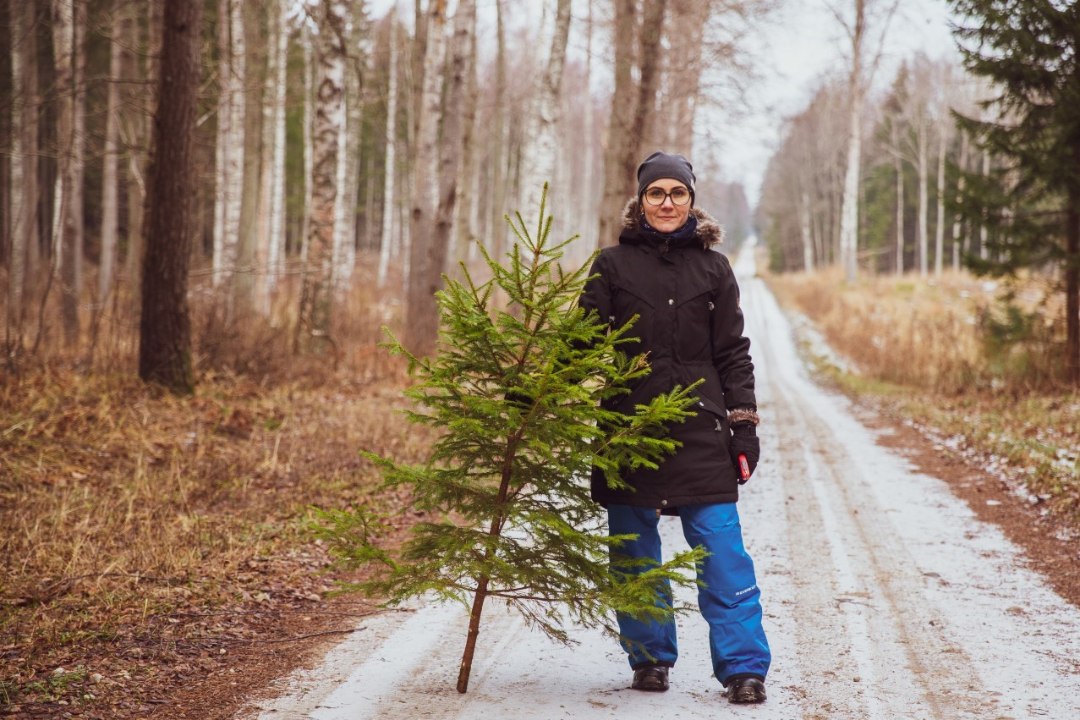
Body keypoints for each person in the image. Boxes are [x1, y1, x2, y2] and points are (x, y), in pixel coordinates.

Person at [579, 151, 770, 704]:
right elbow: (583, 341)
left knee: (722, 555)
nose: (667, 202)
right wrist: (535, 388)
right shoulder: (612, 266)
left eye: (677, 193)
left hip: (702, 433)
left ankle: (743, 668)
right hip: (628, 431)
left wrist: (744, 427)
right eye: (656, 193)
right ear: (641, 201)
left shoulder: (714, 270)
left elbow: (734, 354)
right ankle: (650, 658)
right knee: (634, 554)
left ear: (692, 200)